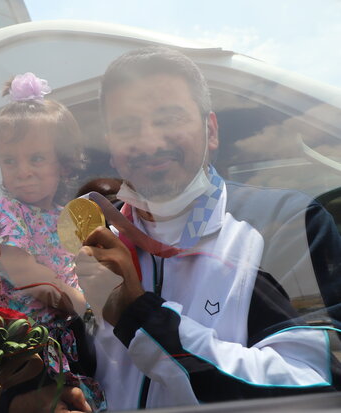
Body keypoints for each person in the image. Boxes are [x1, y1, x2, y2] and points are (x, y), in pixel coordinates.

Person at [76, 47, 341, 410]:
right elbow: (98, 375)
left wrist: (140, 316)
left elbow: (313, 386)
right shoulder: (98, 239)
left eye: (168, 118)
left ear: (210, 130)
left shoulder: (287, 222)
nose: (150, 141)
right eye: (126, 126)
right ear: (111, 146)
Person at [0, 73, 105, 410]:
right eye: (10, 161)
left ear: (63, 161)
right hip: (26, 347)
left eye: (36, 159)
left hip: (63, 343)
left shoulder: (66, 218)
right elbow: (26, 274)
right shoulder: (6, 211)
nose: (22, 171)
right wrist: (80, 302)